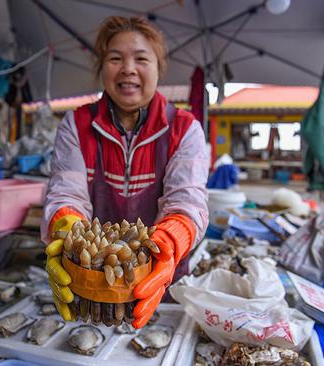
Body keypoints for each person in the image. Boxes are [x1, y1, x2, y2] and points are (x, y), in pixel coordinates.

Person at [43, 16, 209, 328]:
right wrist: (67, 230)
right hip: (91, 287)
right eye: (115, 58)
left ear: (158, 68)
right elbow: (67, 190)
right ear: (101, 68)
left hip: (162, 283)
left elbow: (187, 200)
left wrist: (169, 244)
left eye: (142, 59)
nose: (128, 69)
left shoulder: (185, 129)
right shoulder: (76, 126)